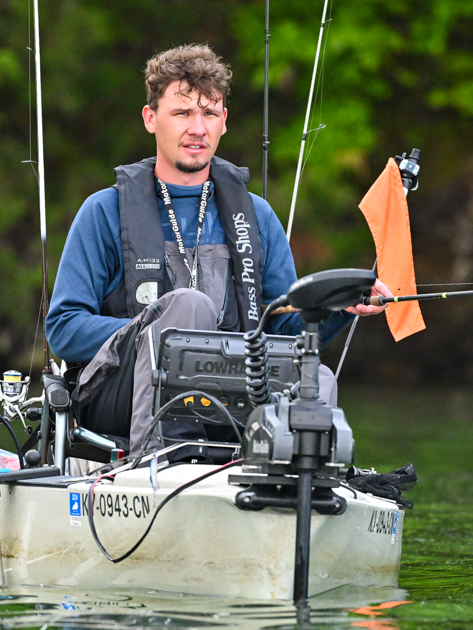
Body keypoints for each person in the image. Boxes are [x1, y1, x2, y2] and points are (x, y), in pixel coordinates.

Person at [46, 44, 390, 452]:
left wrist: (337, 307)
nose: (198, 128)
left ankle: (299, 474)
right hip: (120, 396)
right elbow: (63, 329)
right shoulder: (104, 211)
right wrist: (155, 334)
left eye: (209, 114)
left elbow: (283, 332)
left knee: (315, 377)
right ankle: (159, 457)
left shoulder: (258, 217)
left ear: (224, 121)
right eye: (182, 113)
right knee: (187, 307)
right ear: (151, 118)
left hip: (232, 394)